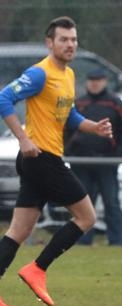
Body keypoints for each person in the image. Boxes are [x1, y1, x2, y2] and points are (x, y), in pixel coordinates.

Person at [0, 16, 113, 306]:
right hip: (41, 158)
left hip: (38, 159)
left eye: (73, 39)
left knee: (19, 230)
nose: (70, 44)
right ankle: (38, 268)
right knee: (86, 217)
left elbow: (69, 115)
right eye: (64, 39)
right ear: (50, 43)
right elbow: (3, 100)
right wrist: (23, 138)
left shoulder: (69, 75)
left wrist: (93, 127)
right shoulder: (39, 74)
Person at [65, 68, 122, 245]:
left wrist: (117, 154)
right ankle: (82, 240)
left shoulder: (114, 103)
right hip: (81, 161)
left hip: (106, 161)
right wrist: (69, 151)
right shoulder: (78, 103)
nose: (94, 83)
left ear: (104, 81)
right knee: (82, 204)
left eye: (98, 80)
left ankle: (117, 241)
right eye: (91, 79)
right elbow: (65, 129)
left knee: (111, 202)